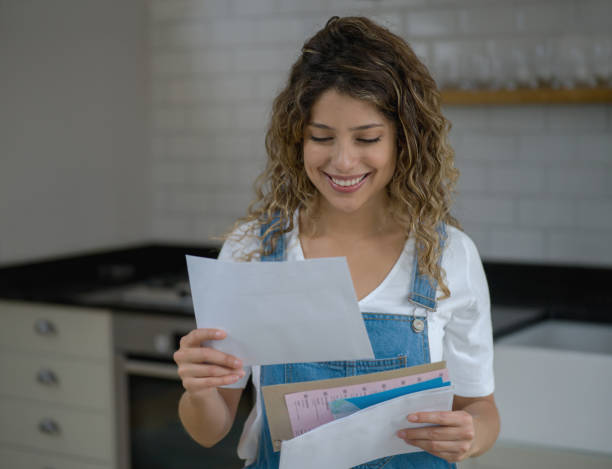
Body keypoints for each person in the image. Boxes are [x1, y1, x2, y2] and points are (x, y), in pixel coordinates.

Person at [174, 16, 500, 468]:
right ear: (297, 139)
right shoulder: (252, 251)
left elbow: (480, 408)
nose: (343, 162)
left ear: (404, 141)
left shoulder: (448, 255)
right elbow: (209, 429)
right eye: (321, 138)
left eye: (368, 138)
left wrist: (472, 436)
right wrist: (198, 388)